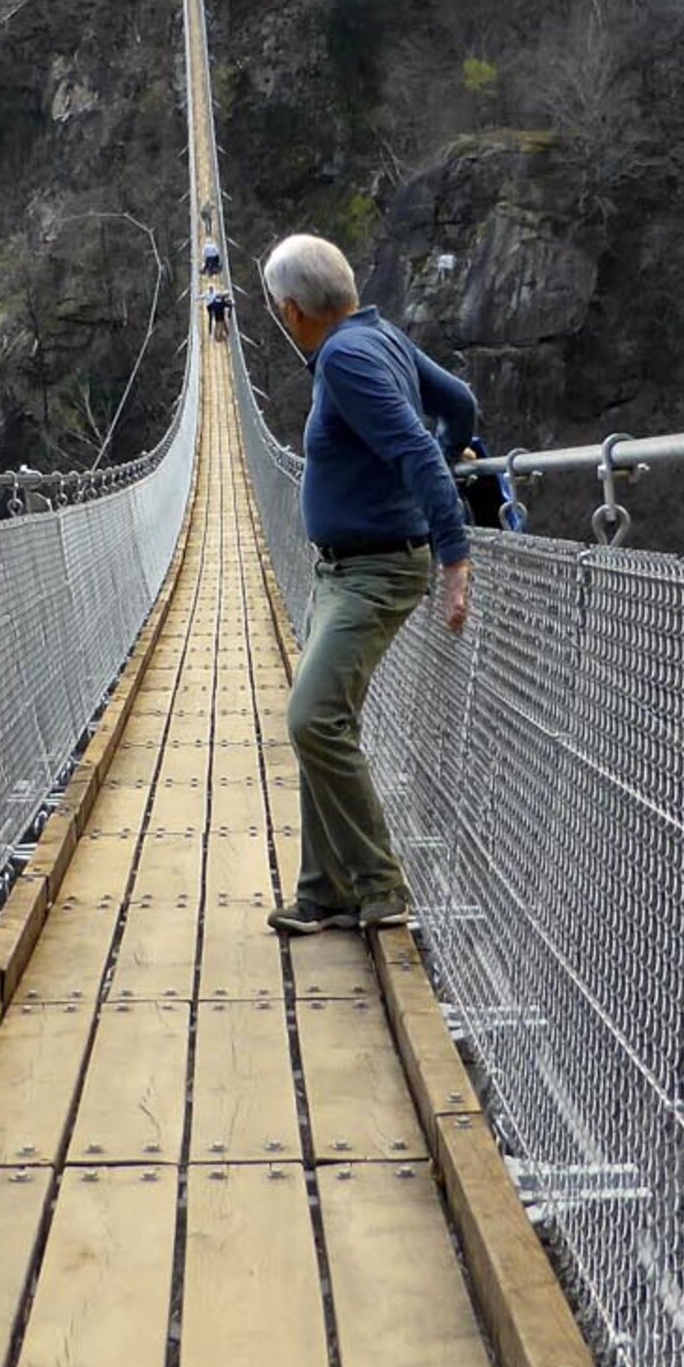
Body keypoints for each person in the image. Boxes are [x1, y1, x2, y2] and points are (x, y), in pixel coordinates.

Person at [261, 232, 474, 936]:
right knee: (323, 720)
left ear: (291, 311)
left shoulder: (346, 358)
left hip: (374, 570)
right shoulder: (377, 336)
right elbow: (459, 404)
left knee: (312, 719)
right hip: (347, 566)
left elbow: (414, 446)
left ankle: (380, 883)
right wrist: (436, 468)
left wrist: (454, 555)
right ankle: (323, 892)